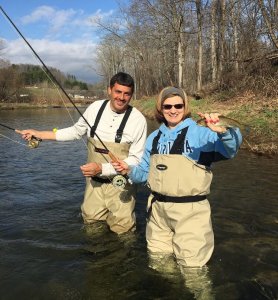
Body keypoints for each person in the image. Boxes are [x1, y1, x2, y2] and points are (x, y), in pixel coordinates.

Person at [112, 86, 242, 267]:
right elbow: (144, 173)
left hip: (191, 214)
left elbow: (231, 150)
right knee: (159, 264)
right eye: (167, 106)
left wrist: (223, 132)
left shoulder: (201, 132)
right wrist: (128, 170)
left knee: (193, 271)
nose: (173, 110)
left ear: (185, 107)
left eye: (178, 106)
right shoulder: (154, 138)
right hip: (157, 213)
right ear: (161, 109)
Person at [17, 72, 147, 235]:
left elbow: (136, 160)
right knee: (91, 227)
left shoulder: (138, 120)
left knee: (124, 232)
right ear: (109, 90)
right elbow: (75, 131)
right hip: (94, 184)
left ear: (131, 95)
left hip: (122, 186)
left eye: (127, 93)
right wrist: (40, 134)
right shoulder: (94, 108)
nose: (121, 97)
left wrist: (101, 168)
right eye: (118, 92)